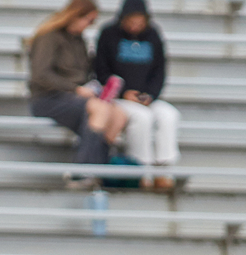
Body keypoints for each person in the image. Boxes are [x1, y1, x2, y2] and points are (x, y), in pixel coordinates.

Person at [28, 0, 127, 170]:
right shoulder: (49, 37)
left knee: (118, 115)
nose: (89, 25)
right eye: (88, 21)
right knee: (100, 110)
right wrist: (75, 89)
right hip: (48, 98)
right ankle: (83, 170)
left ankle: (100, 167)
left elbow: (83, 73)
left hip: (75, 97)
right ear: (75, 15)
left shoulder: (78, 41)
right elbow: (40, 75)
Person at [95, 0, 178, 190]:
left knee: (169, 115)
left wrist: (150, 95)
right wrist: (124, 93)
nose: (135, 26)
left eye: (139, 22)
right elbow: (101, 70)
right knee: (142, 118)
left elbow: (159, 71)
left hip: (146, 97)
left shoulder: (153, 35)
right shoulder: (108, 34)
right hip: (119, 98)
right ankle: (142, 170)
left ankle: (163, 170)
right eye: (131, 21)